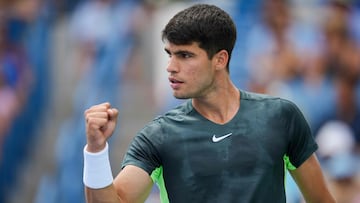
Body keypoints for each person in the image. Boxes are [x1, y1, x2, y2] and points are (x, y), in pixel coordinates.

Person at [83, 4, 335, 203]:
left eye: (185, 55)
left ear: (220, 59)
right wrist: (95, 150)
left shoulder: (282, 117)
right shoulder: (158, 136)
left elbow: (322, 200)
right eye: (170, 55)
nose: (170, 68)